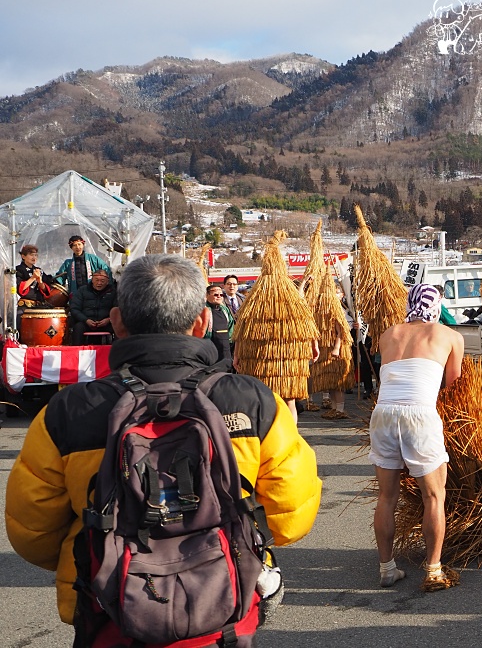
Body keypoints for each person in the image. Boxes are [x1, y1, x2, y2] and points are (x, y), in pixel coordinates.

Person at [5, 254, 322, 643]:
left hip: (109, 609)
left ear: (117, 320)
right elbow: (291, 514)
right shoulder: (252, 401)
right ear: (203, 321)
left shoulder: (69, 411)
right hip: (222, 604)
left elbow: (31, 531)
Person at [369, 284, 464, 591]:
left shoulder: (388, 334)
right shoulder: (449, 336)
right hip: (419, 415)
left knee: (386, 497)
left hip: (383, 414)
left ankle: (386, 568)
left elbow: (387, 374)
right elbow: (453, 381)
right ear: (437, 306)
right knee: (434, 496)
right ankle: (434, 570)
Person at [67, 268, 116, 345]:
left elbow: (118, 309)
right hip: (86, 322)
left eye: (102, 281)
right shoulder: (82, 290)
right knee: (77, 328)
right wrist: (86, 320)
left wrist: (109, 319)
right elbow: (74, 308)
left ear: (107, 282)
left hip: (107, 323)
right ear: (92, 280)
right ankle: (76, 353)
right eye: (96, 280)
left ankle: (117, 353)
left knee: (119, 328)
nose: (99, 283)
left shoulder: (113, 292)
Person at [205, 284, 235, 370]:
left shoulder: (225, 310)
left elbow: (231, 327)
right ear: (207, 295)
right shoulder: (204, 310)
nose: (219, 296)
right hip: (210, 348)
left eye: (221, 295)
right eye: (215, 294)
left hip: (225, 349)